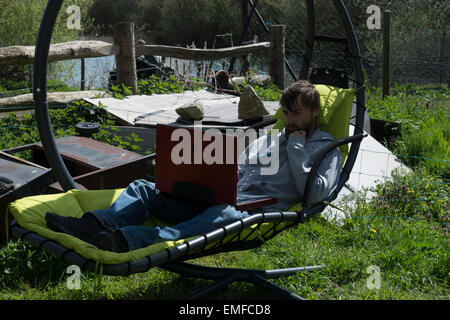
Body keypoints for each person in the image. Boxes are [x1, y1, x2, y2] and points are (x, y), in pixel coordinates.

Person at [45, 80, 341, 253]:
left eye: (297, 113)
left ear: (315, 112)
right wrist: (206, 175)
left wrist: (298, 148)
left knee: (220, 214)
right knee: (144, 188)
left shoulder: (327, 151)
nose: (289, 120)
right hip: (221, 198)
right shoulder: (271, 140)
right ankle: (92, 225)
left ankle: (125, 240)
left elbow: (314, 196)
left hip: (253, 211)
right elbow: (238, 169)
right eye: (286, 112)